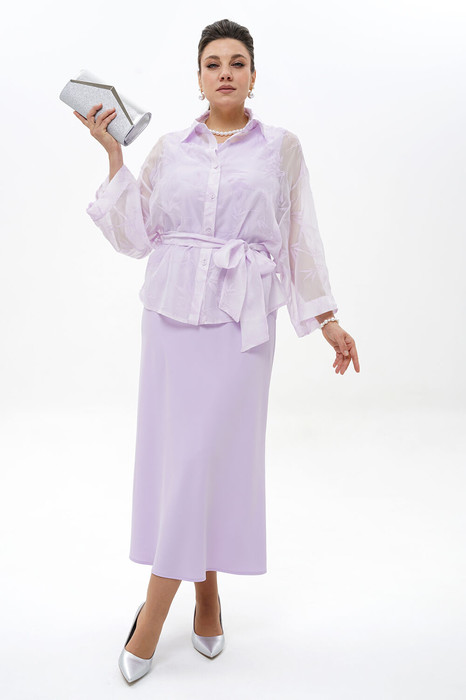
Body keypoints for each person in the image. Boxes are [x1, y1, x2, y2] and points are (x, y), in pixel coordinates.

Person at [73, 17, 360, 684]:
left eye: (237, 62)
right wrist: (113, 156)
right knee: (180, 461)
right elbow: (137, 237)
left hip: (241, 322)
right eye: (212, 63)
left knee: (206, 458)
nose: (225, 72)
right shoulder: (169, 149)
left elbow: (301, 235)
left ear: (253, 76)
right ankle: (205, 597)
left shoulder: (282, 148)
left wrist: (326, 319)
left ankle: (151, 616)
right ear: (198, 78)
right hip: (170, 317)